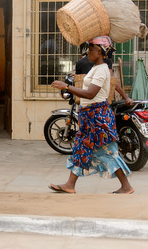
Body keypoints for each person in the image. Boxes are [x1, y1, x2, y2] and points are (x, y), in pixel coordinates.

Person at [49, 36, 134, 194]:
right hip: (90, 116)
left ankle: (126, 186)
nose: (88, 52)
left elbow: (90, 94)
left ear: (100, 52)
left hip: (97, 116)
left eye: (90, 49)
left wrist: (66, 86)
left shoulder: (101, 70)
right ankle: (70, 185)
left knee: (108, 151)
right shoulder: (96, 68)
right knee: (81, 147)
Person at [76, 42, 134, 106]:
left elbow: (91, 93)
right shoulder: (99, 66)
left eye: (90, 50)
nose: (88, 52)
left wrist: (67, 87)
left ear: (99, 51)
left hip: (95, 107)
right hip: (89, 106)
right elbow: (113, 80)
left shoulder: (101, 67)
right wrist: (125, 97)